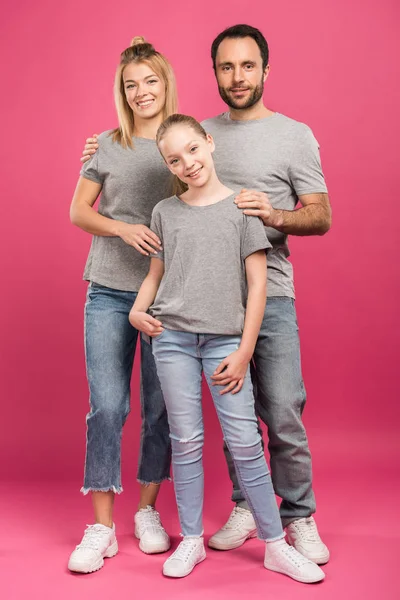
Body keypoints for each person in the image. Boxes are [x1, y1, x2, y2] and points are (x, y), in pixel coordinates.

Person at [80, 24, 332, 565]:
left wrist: (272, 215)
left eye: (246, 66)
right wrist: (100, 152)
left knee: (277, 409)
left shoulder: (285, 138)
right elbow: (150, 155)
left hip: (250, 300)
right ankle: (228, 511)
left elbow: (317, 217)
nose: (236, 76)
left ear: (265, 69)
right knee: (158, 417)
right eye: (225, 66)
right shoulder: (172, 139)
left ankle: (293, 521)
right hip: (179, 306)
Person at [128, 113, 325, 583]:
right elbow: (155, 276)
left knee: (244, 442)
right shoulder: (164, 212)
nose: (187, 163)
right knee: (187, 440)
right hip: (172, 341)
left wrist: (243, 350)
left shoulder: (242, 207)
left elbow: (258, 286)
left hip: (225, 340)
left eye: (192, 150)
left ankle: (276, 544)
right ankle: (192, 539)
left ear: (209, 143)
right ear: (168, 166)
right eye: (174, 159)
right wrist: (138, 311)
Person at [67, 37, 179, 574]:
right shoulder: (106, 146)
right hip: (109, 291)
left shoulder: (185, 140)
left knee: (161, 408)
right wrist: (122, 228)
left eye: (150, 81)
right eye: (130, 85)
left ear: (165, 83)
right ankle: (102, 528)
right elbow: (78, 212)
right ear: (122, 91)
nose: (141, 92)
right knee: (108, 406)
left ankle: (147, 512)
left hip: (167, 296)